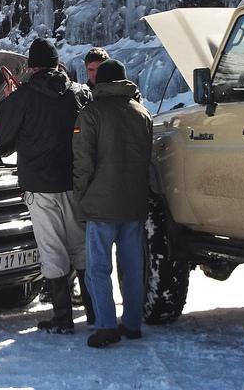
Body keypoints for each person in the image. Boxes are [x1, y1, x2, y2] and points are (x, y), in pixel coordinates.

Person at [0, 37, 94, 334]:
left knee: (52, 250)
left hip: (39, 185)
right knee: (81, 247)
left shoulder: (21, 98)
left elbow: (2, 137)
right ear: (57, 63)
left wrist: (10, 97)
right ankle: (94, 311)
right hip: (75, 183)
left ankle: (62, 317)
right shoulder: (79, 93)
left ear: (31, 66)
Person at [72, 59, 153, 348]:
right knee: (132, 265)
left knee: (98, 268)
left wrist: (81, 195)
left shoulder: (91, 114)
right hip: (133, 203)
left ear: (100, 83)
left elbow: (83, 163)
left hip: (101, 204)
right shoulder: (141, 112)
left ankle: (106, 325)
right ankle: (132, 322)